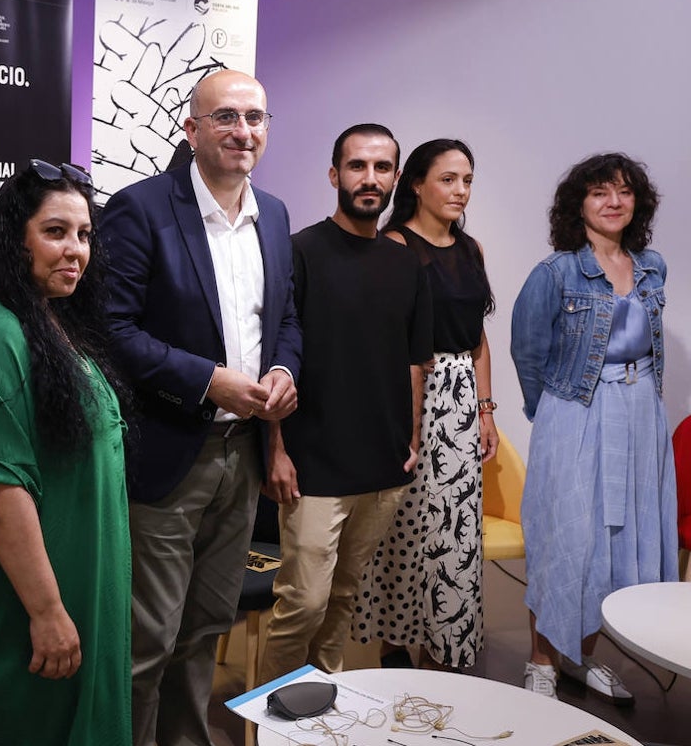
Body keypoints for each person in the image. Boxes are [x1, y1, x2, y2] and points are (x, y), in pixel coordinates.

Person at [99, 69, 303, 746]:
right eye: (226, 118)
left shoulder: (272, 214)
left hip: (239, 455)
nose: (243, 131)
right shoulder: (140, 209)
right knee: (149, 637)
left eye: (255, 118)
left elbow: (287, 321)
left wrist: (280, 370)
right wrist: (207, 380)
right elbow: (111, 331)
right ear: (192, 130)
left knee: (206, 626)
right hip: (166, 452)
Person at [0, 160, 131, 746]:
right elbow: (1, 493)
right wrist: (47, 614)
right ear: (13, 237)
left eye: (84, 234)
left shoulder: (47, 321)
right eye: (55, 232)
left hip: (83, 577)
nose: (75, 250)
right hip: (34, 602)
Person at [259, 124, 433, 682]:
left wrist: (410, 439)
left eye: (382, 168)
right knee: (303, 604)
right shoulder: (299, 253)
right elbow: (275, 358)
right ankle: (271, 722)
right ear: (335, 175)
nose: (370, 178)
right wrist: (276, 450)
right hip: (313, 464)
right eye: (357, 166)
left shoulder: (407, 263)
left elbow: (414, 362)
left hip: (381, 467)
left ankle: (318, 711)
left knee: (342, 599)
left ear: (396, 178)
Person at [511, 152, 677, 703]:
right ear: (578, 203)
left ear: (638, 203)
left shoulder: (652, 265)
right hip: (575, 411)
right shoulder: (555, 272)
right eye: (600, 192)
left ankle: (582, 658)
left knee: (616, 540)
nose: (613, 202)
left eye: (624, 192)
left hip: (640, 415)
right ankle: (542, 661)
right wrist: (554, 416)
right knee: (567, 539)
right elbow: (527, 350)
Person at [352, 139, 497, 670]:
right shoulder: (393, 244)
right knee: (404, 525)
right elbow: (382, 336)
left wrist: (485, 411)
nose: (460, 191)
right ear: (416, 184)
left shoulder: (471, 248)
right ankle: (395, 642)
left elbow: (478, 337)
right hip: (410, 390)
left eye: (467, 180)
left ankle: (447, 641)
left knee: (456, 528)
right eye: (448, 179)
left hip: (461, 402)